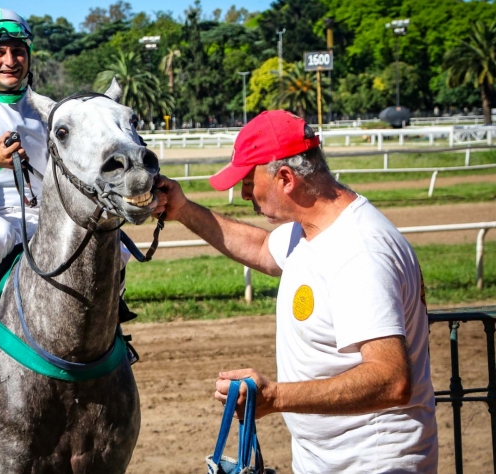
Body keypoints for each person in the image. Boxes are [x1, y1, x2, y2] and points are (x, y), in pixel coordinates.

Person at [153, 110, 438, 472]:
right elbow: (259, 249)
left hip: (372, 463)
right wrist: (183, 210)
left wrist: (275, 397)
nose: (243, 194)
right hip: (327, 461)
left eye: (247, 180)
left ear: (285, 178)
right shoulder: (308, 230)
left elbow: (392, 379)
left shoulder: (359, 254)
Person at [0, 8, 135, 370]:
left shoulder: (47, 110)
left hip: (43, 223)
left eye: (18, 51)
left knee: (118, 244)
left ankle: (109, 326)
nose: (10, 61)